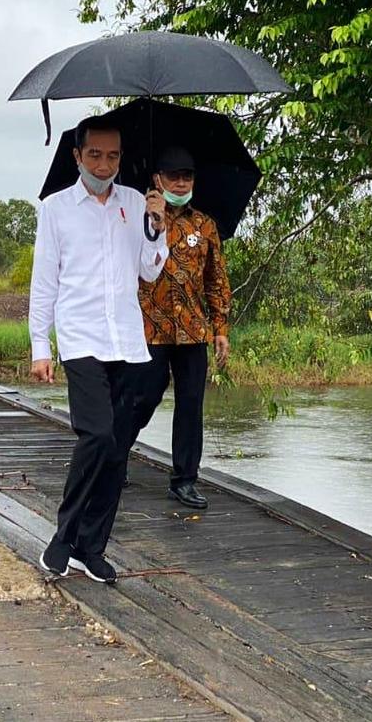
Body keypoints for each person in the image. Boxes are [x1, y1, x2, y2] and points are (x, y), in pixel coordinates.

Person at [29, 115, 169, 584]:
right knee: (97, 435)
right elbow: (44, 282)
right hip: (80, 338)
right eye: (95, 155)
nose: (104, 164)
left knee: (117, 447)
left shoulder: (136, 203)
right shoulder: (55, 209)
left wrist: (157, 227)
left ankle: (92, 547)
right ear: (77, 155)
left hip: (126, 341)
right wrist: (39, 346)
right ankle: (63, 538)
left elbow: (150, 272)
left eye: (112, 156)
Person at [133, 144, 232, 510]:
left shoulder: (204, 225)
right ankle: (115, 453)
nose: (179, 182)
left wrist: (220, 327)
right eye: (172, 176)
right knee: (143, 397)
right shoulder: (135, 218)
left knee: (191, 404)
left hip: (192, 330)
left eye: (186, 176)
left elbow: (216, 279)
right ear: (156, 178)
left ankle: (185, 480)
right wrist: (152, 221)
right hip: (148, 329)